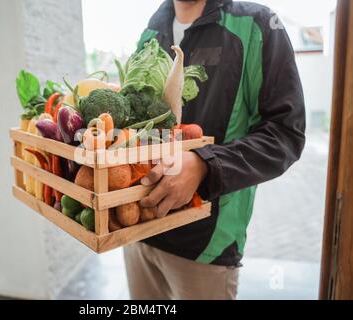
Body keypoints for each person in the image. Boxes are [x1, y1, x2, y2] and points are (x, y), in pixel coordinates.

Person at [124, 0, 306, 300]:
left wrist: (205, 165)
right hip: (138, 232)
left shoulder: (258, 24)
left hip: (206, 249)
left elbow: (286, 133)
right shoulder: (152, 29)